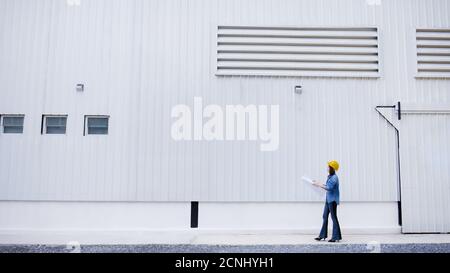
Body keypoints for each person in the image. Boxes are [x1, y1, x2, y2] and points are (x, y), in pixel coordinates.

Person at [313, 160, 342, 243]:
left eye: (328, 166)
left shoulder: (334, 178)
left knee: (334, 217)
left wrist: (318, 185)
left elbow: (329, 188)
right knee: (325, 216)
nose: (327, 168)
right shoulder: (330, 176)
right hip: (328, 199)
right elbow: (327, 186)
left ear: (332, 168)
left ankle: (336, 237)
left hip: (332, 200)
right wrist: (318, 183)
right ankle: (322, 235)